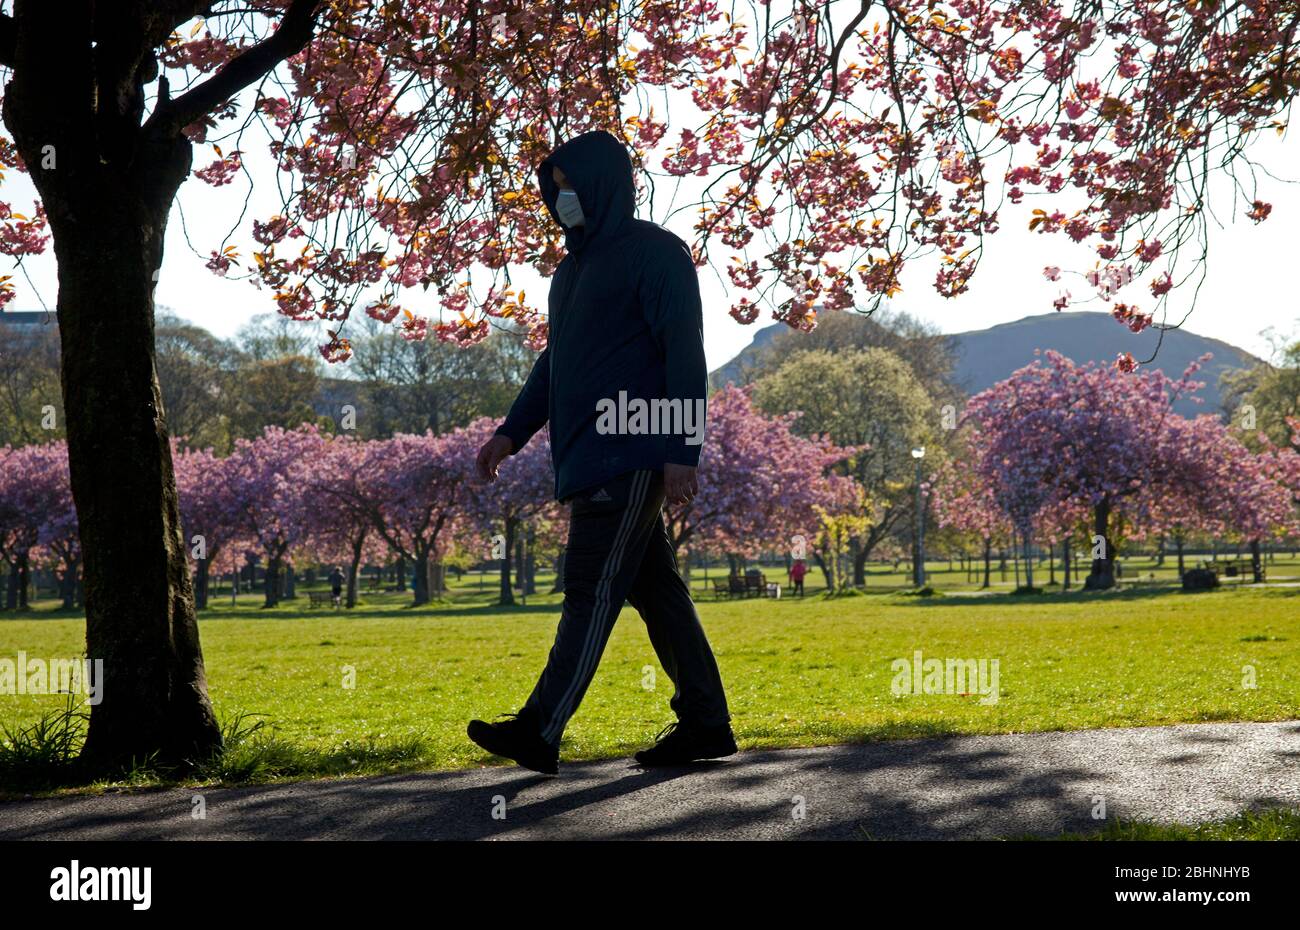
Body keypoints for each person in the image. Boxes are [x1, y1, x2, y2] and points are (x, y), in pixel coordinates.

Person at [467, 130, 734, 776]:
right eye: (554, 192)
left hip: (633, 450)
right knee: (658, 591)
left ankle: (540, 728)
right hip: (588, 458)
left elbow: (685, 351)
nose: (562, 202)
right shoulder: (570, 274)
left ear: (604, 186)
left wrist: (682, 449)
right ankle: (705, 721)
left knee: (588, 589)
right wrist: (512, 431)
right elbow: (555, 363)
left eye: (570, 189)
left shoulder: (658, 255)